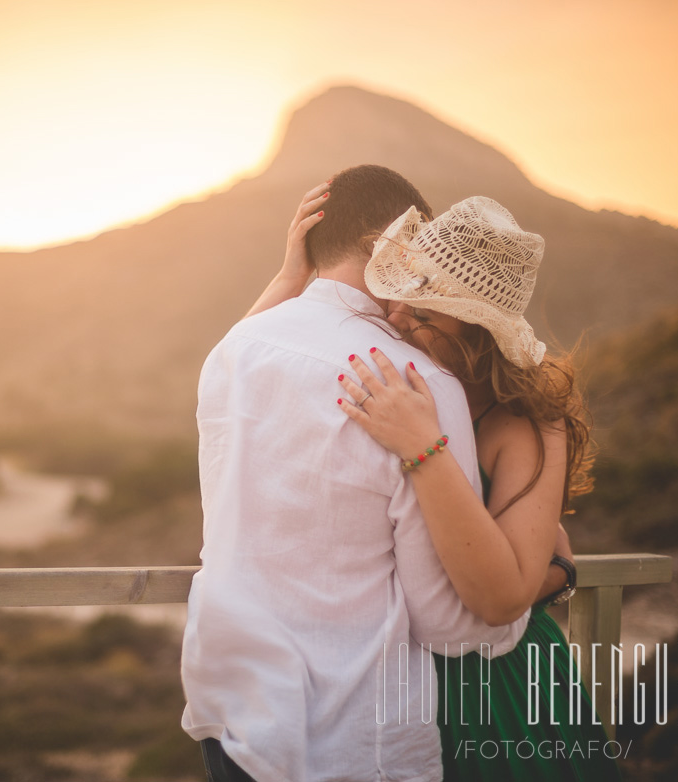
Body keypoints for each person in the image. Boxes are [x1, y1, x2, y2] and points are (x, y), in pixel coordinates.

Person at [181, 166, 530, 782]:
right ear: (383, 246)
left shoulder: (232, 351)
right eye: (416, 245)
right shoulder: (415, 384)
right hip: (347, 735)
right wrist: (527, 597)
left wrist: (295, 274)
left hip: (232, 710)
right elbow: (446, 624)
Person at [332, 196, 620, 780]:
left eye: (427, 315)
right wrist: (556, 569)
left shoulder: (526, 420)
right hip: (390, 680)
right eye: (402, 298)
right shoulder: (386, 369)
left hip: (495, 689)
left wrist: (423, 450)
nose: (397, 321)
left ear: (481, 334)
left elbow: (499, 600)